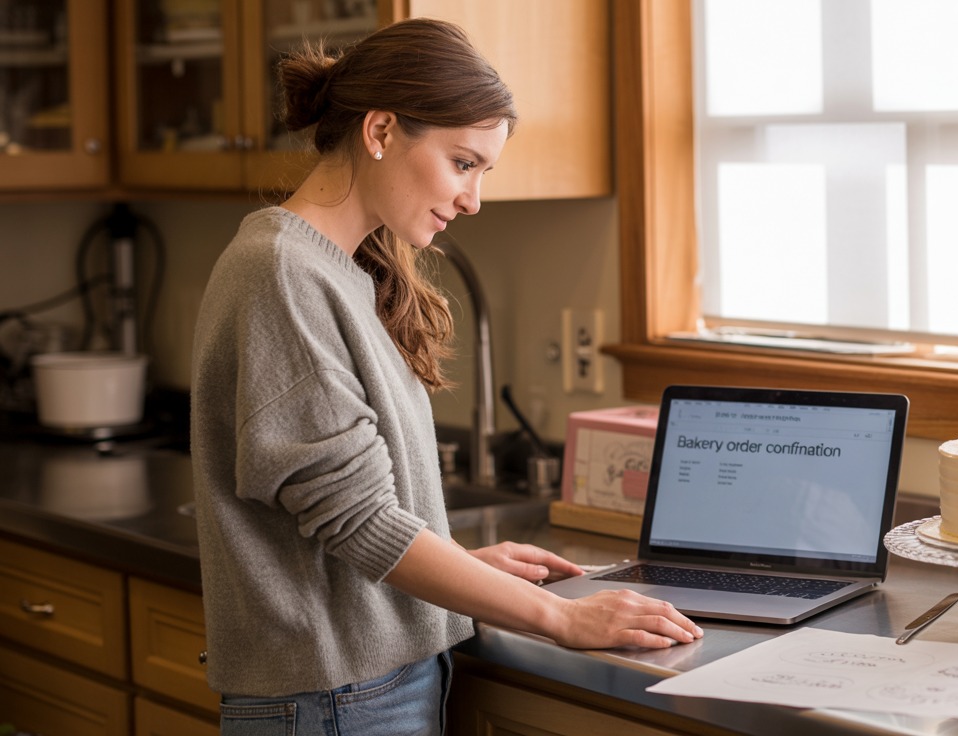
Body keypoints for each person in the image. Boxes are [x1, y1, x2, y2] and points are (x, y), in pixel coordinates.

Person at [190, 18, 701, 735]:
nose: (473, 199)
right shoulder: (282, 273)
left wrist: (461, 564)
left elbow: (351, 517)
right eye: (463, 162)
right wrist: (562, 616)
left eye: (483, 172)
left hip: (360, 688)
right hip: (333, 700)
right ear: (379, 132)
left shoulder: (333, 268)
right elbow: (355, 520)